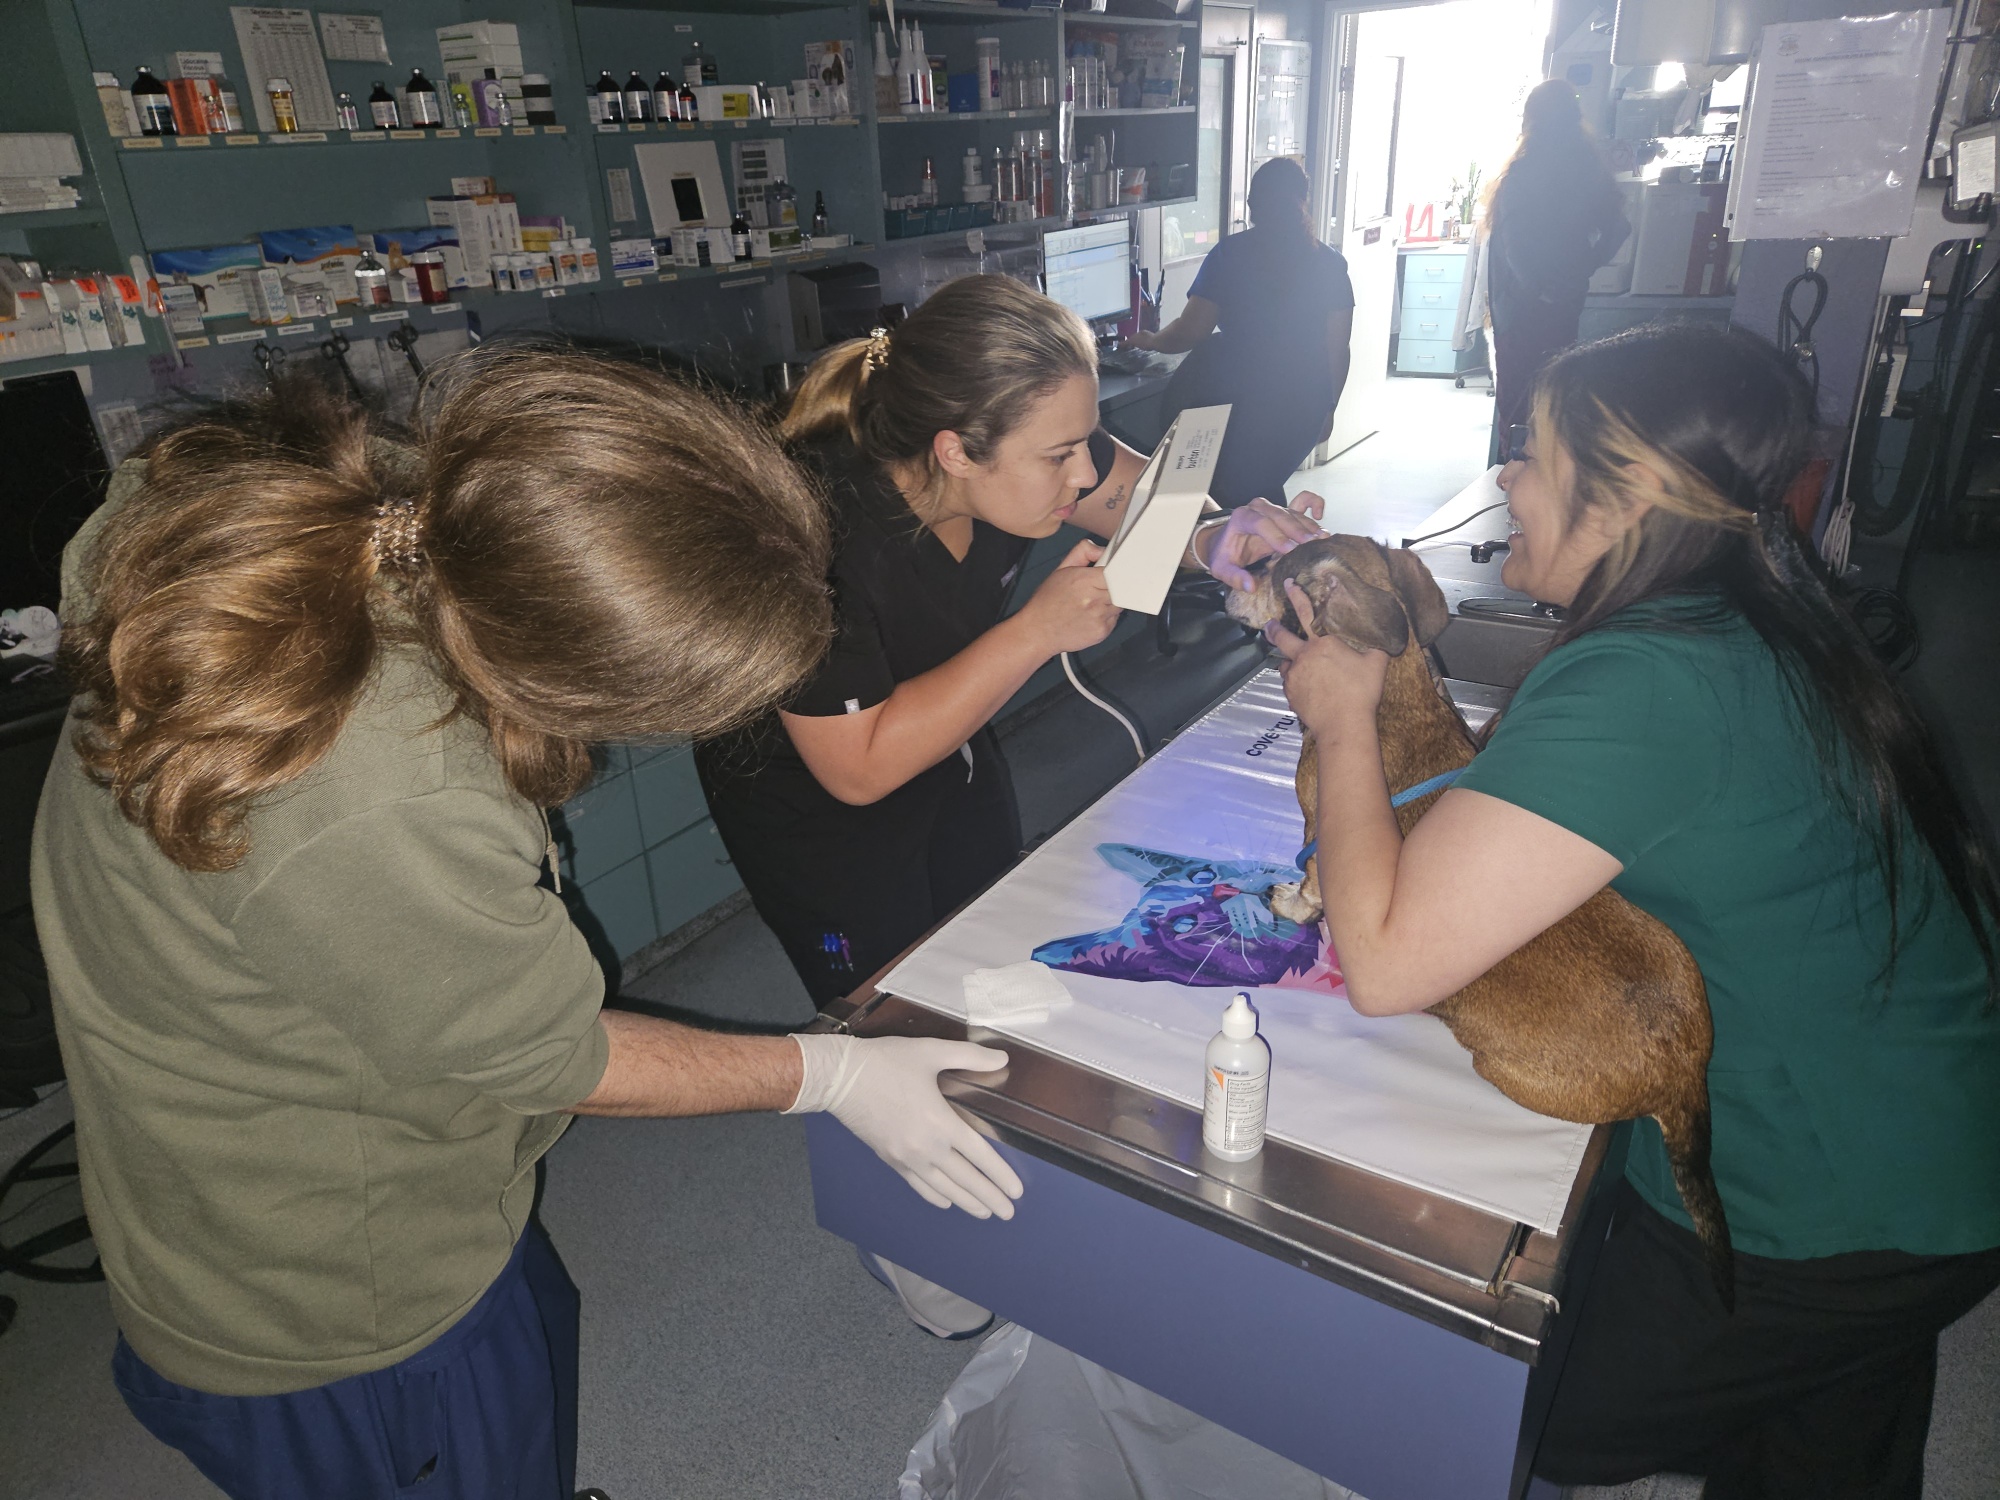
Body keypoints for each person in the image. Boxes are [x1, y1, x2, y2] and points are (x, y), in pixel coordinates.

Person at [32, 347, 1031, 1500]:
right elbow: (554, 1052)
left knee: (521, 1363)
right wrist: (833, 1076)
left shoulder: (416, 510)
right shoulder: (379, 792)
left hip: (396, 1169)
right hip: (324, 1299)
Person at [1262, 323, 2000, 1499]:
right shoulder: (1742, 612)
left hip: (1827, 1199)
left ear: (1624, 502)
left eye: (1533, 456)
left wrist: (1343, 717)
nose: (1505, 476)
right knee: (1818, 1441)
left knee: (1511, 1420)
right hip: (1938, 1137)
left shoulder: (1647, 680)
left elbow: (1388, 961)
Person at [695, 273, 1322, 1014]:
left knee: (989, 934)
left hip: (946, 739)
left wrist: (1221, 536)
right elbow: (858, 769)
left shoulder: (1003, 469)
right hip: (818, 809)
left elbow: (1145, 510)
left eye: (1085, 441)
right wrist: (1034, 632)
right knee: (888, 1007)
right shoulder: (814, 540)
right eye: (1060, 455)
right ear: (957, 452)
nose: (1085, 474)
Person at [1132, 156, 1354, 507]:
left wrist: (1150, 341)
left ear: (1253, 205)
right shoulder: (1330, 264)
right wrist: (1328, 409)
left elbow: (1192, 331)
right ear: (1303, 201)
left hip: (1237, 401)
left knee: (1234, 496)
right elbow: (1337, 348)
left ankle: (1237, 553)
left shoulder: (1231, 255)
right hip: (1302, 403)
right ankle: (1266, 553)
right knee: (1258, 490)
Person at [1483, 78, 1629, 440]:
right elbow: (1619, 229)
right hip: (1564, 301)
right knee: (1552, 399)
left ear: (1530, 119)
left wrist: (1539, 289)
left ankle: (1514, 477)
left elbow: (1515, 244)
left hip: (1524, 307)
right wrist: (1581, 269)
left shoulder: (1524, 172)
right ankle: (1540, 479)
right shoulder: (1587, 170)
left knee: (1519, 401)